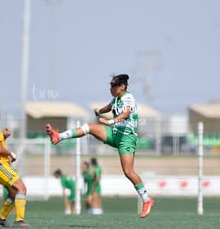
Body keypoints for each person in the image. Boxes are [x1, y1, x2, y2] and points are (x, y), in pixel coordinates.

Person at [46, 74, 154, 218]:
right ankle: (59, 136)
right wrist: (99, 111)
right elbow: (109, 107)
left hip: (127, 138)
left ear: (122, 87)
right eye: (110, 85)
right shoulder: (116, 99)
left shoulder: (128, 98)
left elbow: (126, 113)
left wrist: (111, 121)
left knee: (128, 172)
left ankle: (147, 200)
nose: (110, 88)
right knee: (89, 127)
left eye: (113, 85)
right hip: (115, 134)